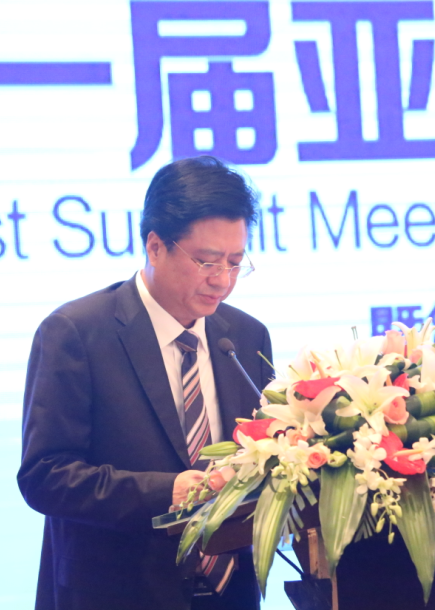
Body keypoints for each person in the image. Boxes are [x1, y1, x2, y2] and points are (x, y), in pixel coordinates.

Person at [18, 156, 271, 610]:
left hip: (229, 595)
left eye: (236, 263)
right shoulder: (76, 333)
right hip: (116, 593)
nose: (223, 280)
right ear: (155, 246)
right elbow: (45, 476)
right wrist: (167, 492)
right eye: (207, 261)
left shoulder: (245, 336)